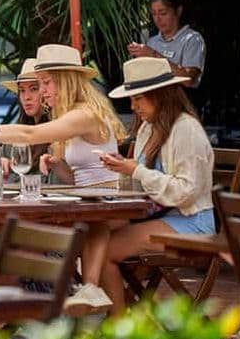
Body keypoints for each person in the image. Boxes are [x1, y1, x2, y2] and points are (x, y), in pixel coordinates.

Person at [83, 57, 215, 315]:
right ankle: (124, 313)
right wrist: (123, 170)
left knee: (106, 250)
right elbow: (142, 182)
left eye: (138, 99)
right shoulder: (147, 129)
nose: (133, 107)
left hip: (192, 223)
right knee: (92, 232)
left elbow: (186, 192)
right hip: (157, 217)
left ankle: (117, 327)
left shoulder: (186, 129)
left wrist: (137, 170)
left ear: (160, 95)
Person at [0, 44, 126, 188]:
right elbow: (77, 181)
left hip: (105, 203)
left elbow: (29, 134)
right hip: (90, 202)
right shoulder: (73, 113)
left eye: (45, 83)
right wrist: (57, 166)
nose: (43, 92)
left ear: (66, 81)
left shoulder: (84, 114)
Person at [127, 0, 206, 87]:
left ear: (178, 11)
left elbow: (189, 79)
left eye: (163, 13)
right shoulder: (152, 42)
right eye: (154, 14)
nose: (157, 19)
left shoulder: (192, 40)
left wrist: (154, 55)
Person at [0, 58, 52, 182]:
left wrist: (11, 176)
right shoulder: (19, 128)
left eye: (33, 89)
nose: (26, 97)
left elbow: (46, 181)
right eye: (22, 91)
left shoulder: (57, 129)